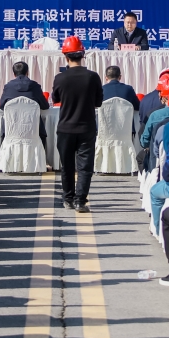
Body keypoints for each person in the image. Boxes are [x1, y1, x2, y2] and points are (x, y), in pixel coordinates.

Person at [51, 37, 102, 212]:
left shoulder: (60, 78)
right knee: (85, 167)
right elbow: (98, 102)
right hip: (86, 127)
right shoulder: (93, 77)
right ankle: (80, 200)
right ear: (82, 55)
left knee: (67, 166)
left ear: (65, 57)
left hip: (65, 127)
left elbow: (55, 99)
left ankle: (68, 199)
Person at [0, 61, 51, 146]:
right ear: (27, 72)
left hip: (11, 131)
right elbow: (45, 106)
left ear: (14, 74)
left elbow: (2, 106)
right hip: (34, 132)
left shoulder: (8, 87)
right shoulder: (35, 86)